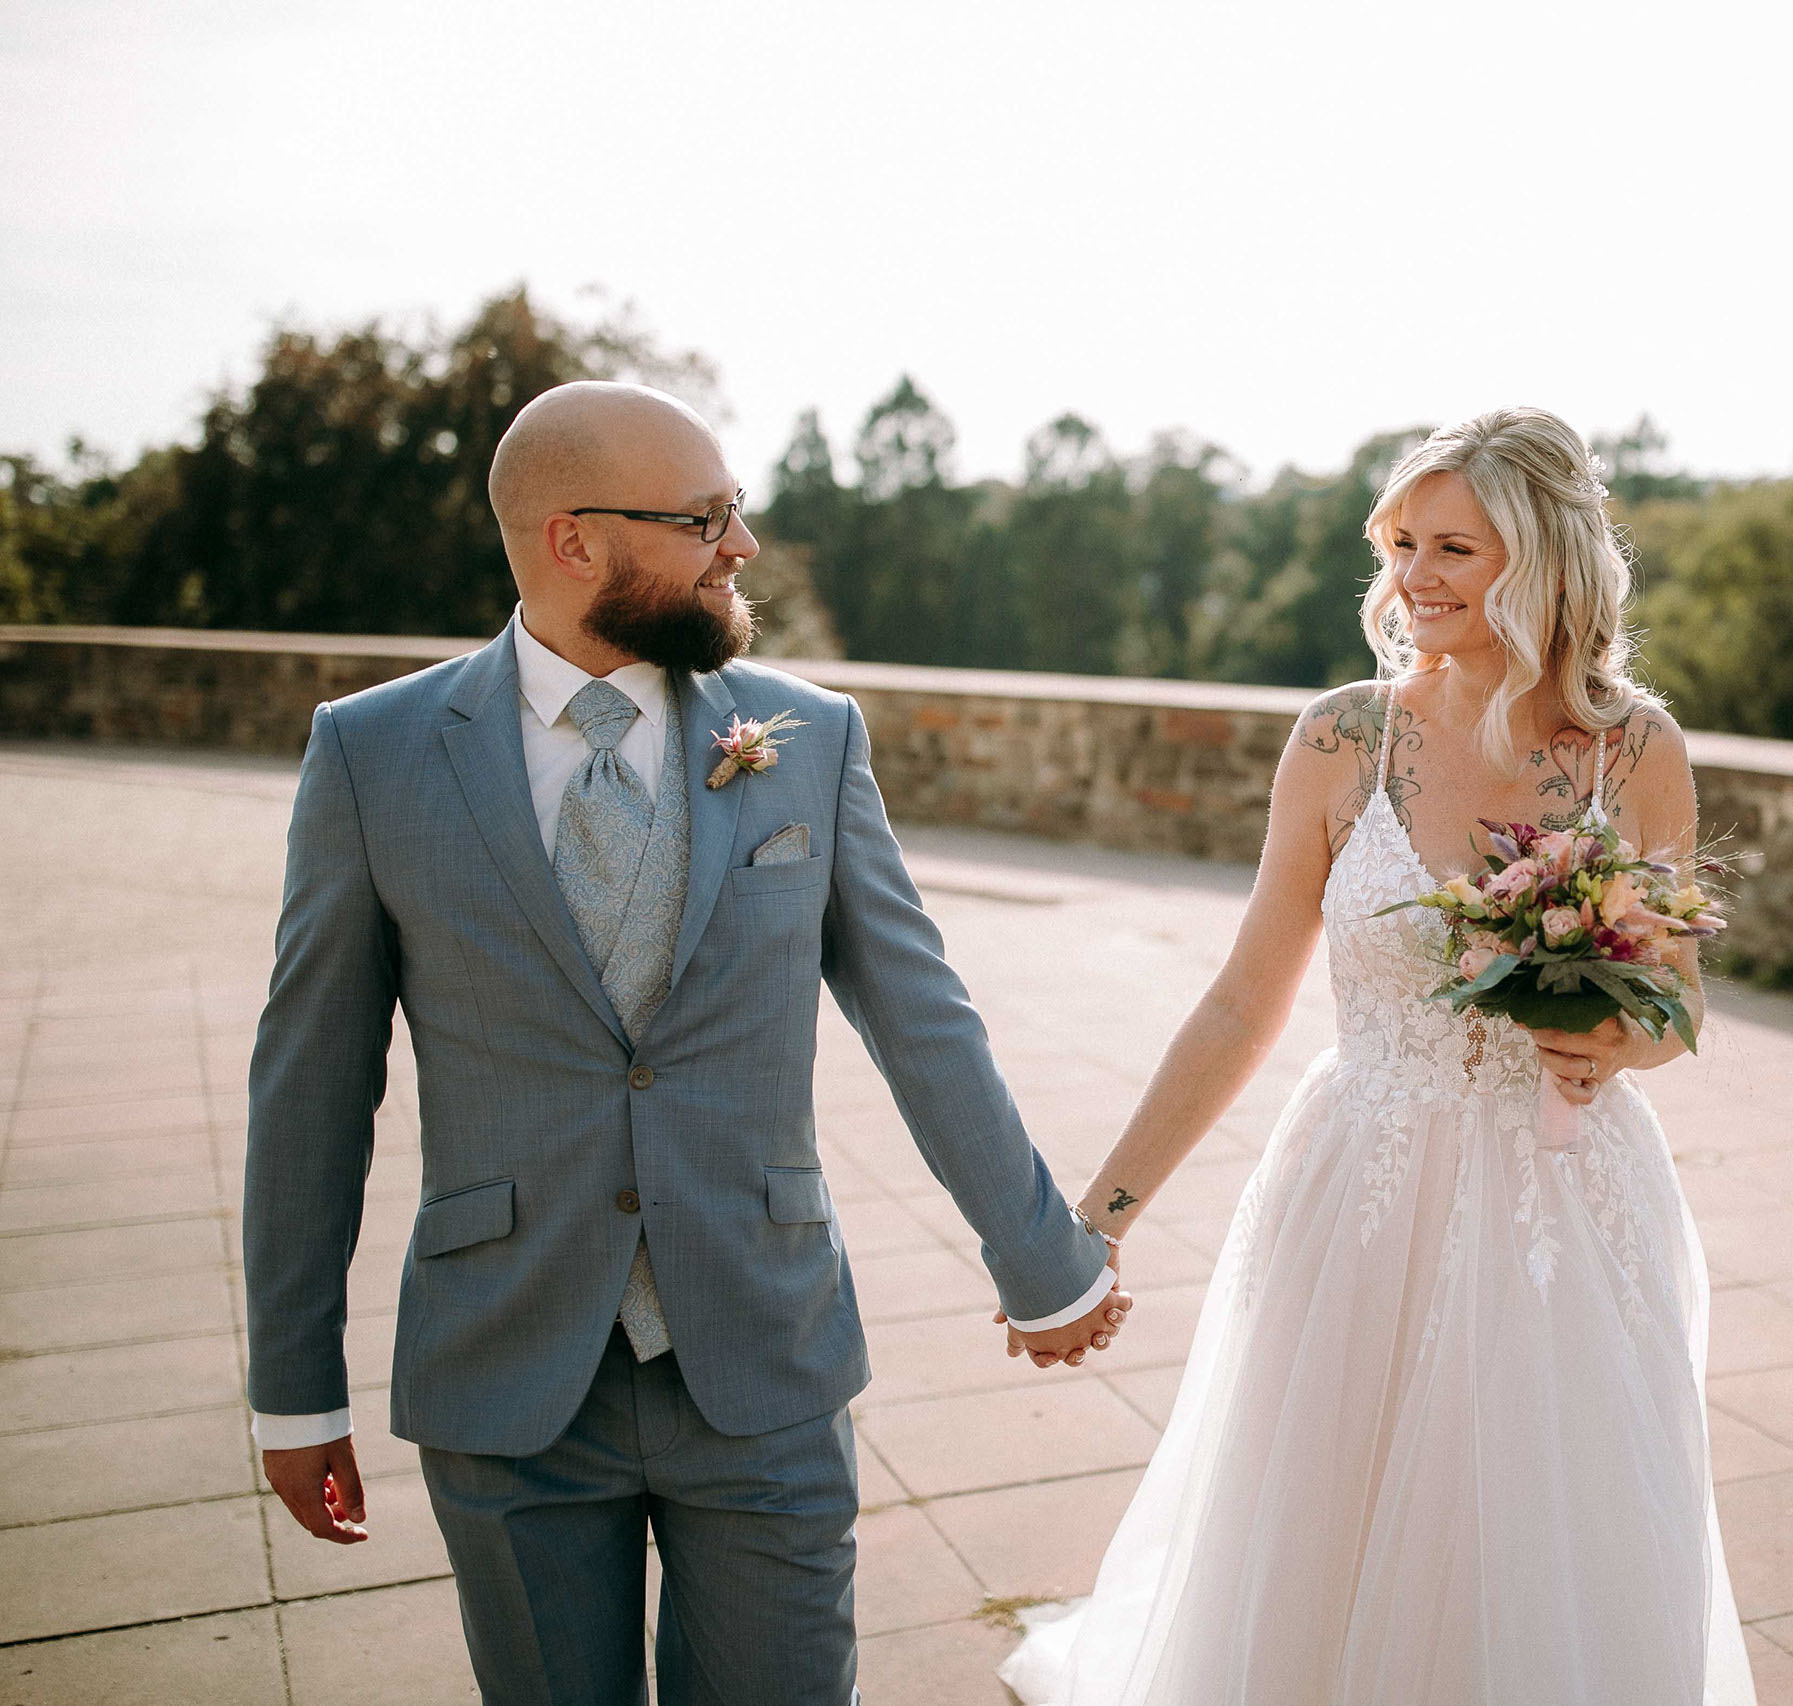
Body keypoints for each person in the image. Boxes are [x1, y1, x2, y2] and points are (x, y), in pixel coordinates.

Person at [242, 380, 1130, 1706]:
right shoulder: (374, 756)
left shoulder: (808, 740)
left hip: (763, 1351)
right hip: (507, 1365)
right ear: (575, 541)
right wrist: (294, 1386)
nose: (741, 546)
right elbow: (309, 1085)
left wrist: (1043, 1256)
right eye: (705, 517)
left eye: (738, 509)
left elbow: (921, 1015)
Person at [999, 407, 1756, 1704]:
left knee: (1548, 1529)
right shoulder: (1343, 739)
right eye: (1400, 543)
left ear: (1548, 557)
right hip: (1362, 1192)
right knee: (1323, 1524)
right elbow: (1245, 1001)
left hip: (1563, 1208)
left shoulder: (1636, 748)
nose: (1414, 577)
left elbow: (1677, 997)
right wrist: (1101, 1213)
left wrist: (1613, 1039)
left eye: (1453, 546)